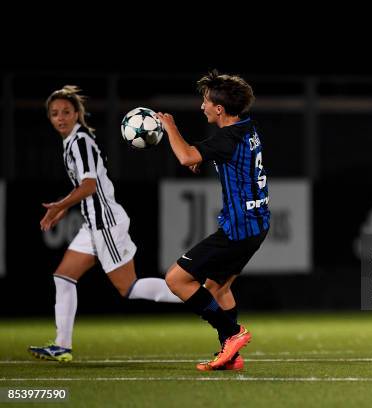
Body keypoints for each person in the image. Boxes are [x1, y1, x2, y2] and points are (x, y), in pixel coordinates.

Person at [29, 86, 182, 362]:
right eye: (54, 113)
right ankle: (62, 346)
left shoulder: (80, 142)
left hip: (105, 225)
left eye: (66, 112)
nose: (60, 117)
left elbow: (88, 186)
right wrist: (65, 208)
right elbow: (89, 185)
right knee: (63, 277)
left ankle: (200, 294)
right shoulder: (72, 143)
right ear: (49, 118)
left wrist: (60, 206)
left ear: (77, 113)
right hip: (92, 225)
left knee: (129, 288)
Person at [156, 70, 269, 371]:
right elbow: (225, 155)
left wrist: (170, 127)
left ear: (219, 109)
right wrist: (206, 158)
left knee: (176, 279)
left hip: (239, 227)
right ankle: (231, 355)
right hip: (257, 224)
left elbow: (185, 157)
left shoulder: (227, 137)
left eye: (205, 101)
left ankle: (233, 334)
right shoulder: (247, 127)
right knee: (217, 288)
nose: (202, 106)